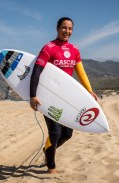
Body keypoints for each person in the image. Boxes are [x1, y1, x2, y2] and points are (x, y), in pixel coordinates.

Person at [29, 17, 97, 174]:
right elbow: (36, 71)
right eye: (64, 28)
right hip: (48, 96)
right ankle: (51, 167)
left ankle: (48, 151)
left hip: (66, 97)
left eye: (70, 28)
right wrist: (33, 95)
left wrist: (89, 90)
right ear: (57, 28)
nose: (67, 31)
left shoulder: (74, 49)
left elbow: (81, 72)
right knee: (55, 132)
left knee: (67, 133)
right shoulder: (49, 47)